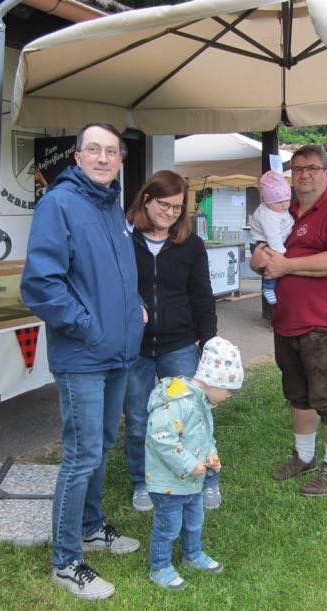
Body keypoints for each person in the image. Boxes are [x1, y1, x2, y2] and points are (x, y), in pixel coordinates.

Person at [21, 122, 145, 601]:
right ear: (76, 157)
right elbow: (40, 285)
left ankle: (91, 527)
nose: (102, 158)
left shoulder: (110, 204)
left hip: (118, 350)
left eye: (111, 151)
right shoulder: (59, 204)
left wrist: (133, 308)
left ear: (120, 160)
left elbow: (114, 275)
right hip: (83, 354)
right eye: (93, 149)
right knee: (81, 455)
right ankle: (66, 561)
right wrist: (88, 325)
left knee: (102, 445)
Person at [251, 144, 327, 497]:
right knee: (297, 394)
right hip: (288, 319)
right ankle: (304, 456)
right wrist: (257, 258)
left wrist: (286, 266)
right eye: (298, 168)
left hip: (325, 322)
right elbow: (260, 250)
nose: (304, 174)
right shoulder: (282, 209)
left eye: (312, 167)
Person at [123, 170, 219, 514]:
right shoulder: (124, 239)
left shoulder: (190, 245)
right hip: (134, 347)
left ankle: (206, 479)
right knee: (137, 418)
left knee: (191, 415)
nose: (170, 213)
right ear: (146, 199)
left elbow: (202, 296)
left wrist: (209, 343)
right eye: (164, 204)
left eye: (177, 208)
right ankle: (142, 481)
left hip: (179, 344)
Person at [146, 336, 244, 589]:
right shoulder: (177, 402)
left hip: (192, 481)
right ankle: (160, 567)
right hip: (168, 482)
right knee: (168, 526)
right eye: (228, 390)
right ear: (213, 382)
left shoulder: (201, 402)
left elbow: (203, 435)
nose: (229, 396)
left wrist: (211, 455)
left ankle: (192, 554)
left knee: (194, 520)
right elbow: (161, 438)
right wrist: (189, 464)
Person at [249, 170, 294, 304]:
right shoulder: (268, 215)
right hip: (265, 244)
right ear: (267, 201)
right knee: (271, 264)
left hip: (272, 242)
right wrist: (280, 252)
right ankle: (268, 287)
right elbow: (273, 235)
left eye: (287, 200)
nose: (284, 205)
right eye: (279, 202)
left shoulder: (277, 210)